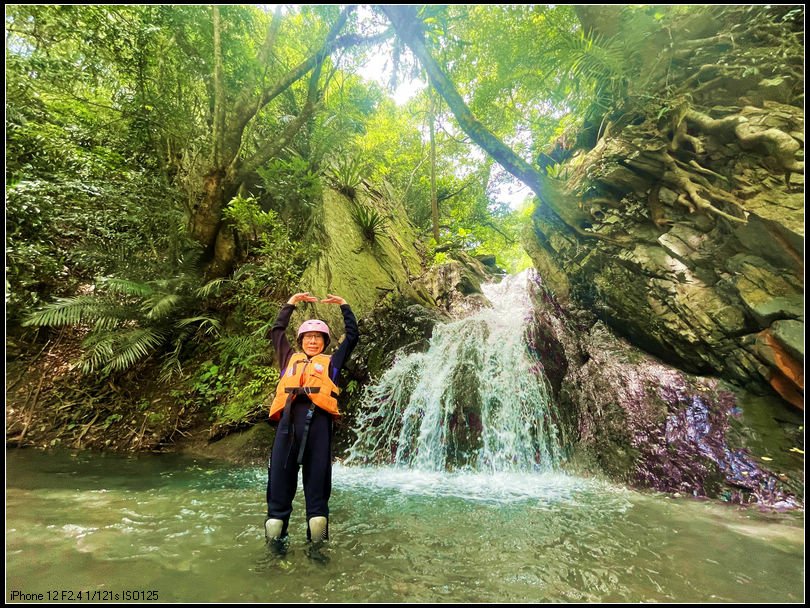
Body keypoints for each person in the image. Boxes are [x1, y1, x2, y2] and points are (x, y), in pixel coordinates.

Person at [264, 292, 359, 548]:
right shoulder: (288, 359)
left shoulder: (332, 364)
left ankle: (318, 555)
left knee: (317, 505)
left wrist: (344, 305)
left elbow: (352, 337)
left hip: (319, 429)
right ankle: (274, 554)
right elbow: (276, 331)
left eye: (318, 338)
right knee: (277, 505)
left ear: (324, 342)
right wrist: (291, 303)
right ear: (301, 341)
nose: (313, 341)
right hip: (287, 429)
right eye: (308, 337)